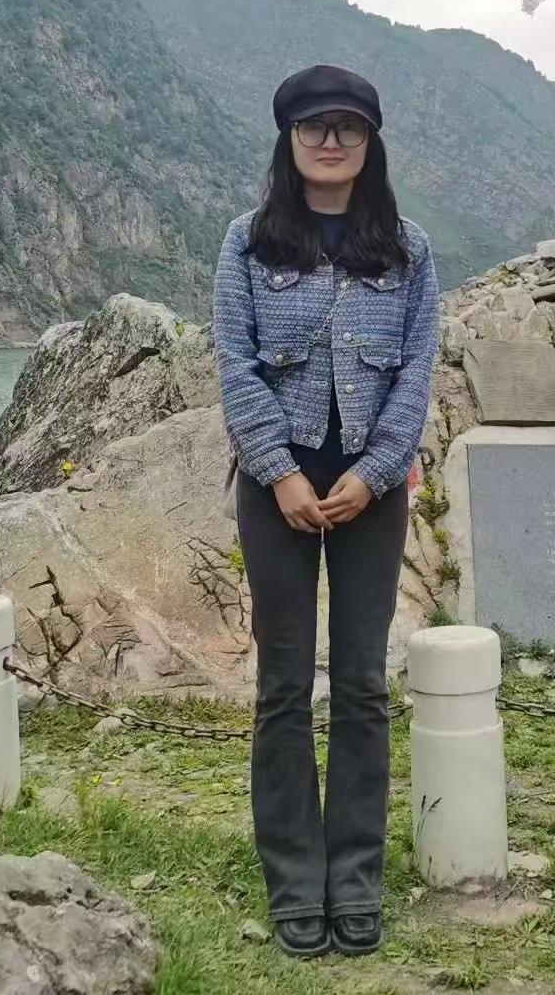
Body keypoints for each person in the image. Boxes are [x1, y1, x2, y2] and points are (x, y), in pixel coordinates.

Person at [212, 64, 439, 959]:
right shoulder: (247, 242)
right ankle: (293, 878)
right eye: (314, 127)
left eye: (347, 127)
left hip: (368, 489)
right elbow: (234, 362)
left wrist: (376, 471)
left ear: (369, 141)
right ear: (289, 139)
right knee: (281, 684)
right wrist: (277, 471)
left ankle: (354, 878)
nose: (330, 141)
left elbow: (416, 370)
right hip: (278, 484)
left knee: (360, 682)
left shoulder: (409, 250)